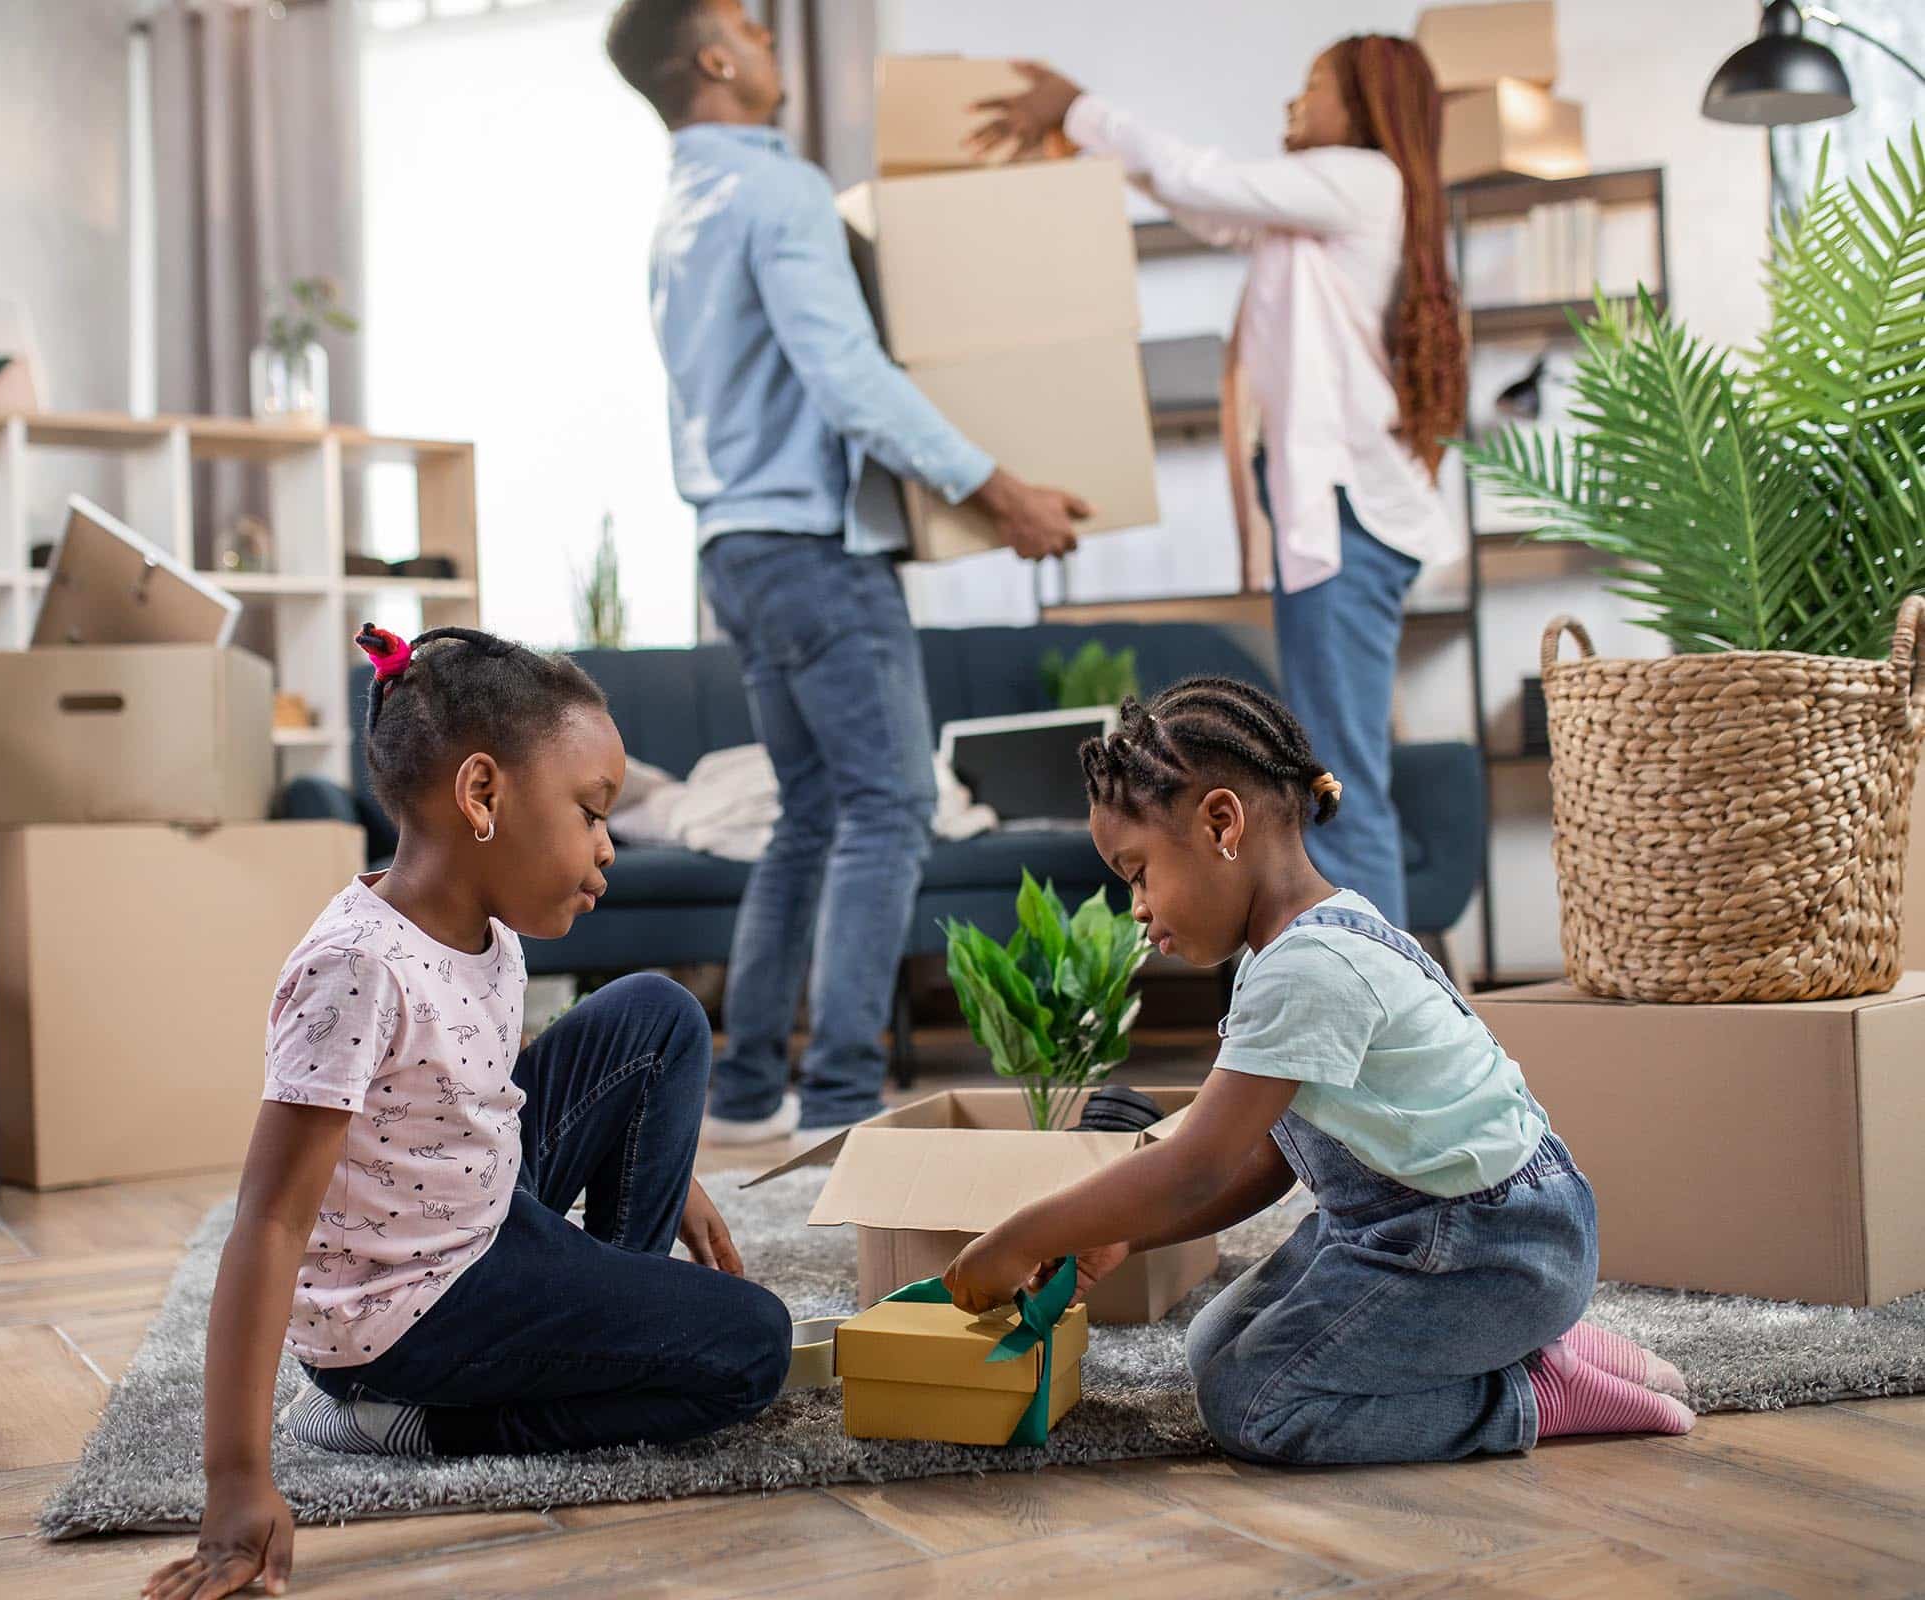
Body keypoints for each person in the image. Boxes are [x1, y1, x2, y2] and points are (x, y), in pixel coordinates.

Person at [145, 626, 790, 1600]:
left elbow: (474, 1097)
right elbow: (270, 1220)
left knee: (657, 1012)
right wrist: (236, 1479)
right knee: (751, 1348)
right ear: (483, 795)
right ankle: (410, 1419)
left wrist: (667, 1156)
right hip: (410, 1314)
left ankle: (606, 1311)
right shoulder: (359, 967)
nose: (606, 847)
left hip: (479, 1218)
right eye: (590, 812)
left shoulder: (483, 926)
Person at [941, 678, 1695, 1465]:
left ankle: (1531, 1390)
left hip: (1487, 1247)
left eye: (1138, 872)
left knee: (1255, 1404)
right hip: (1414, 1228)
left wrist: (1019, 1237)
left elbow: (1194, 1167)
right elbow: (1262, 1163)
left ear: (1221, 823)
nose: (1136, 906)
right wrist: (1124, 1235)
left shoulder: (1307, 969)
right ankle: (1530, 1343)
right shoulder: (1308, 941)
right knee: (1214, 1346)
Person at [606, 0, 1095, 1141]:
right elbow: (848, 377)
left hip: (733, 546)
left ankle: (738, 1095)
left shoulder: (680, 210)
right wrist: (997, 488)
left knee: (811, 814)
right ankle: (836, 1100)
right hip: (813, 553)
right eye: (749, 25)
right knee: (888, 807)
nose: (772, 37)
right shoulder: (776, 193)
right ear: (715, 60)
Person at [976, 39, 1468, 929]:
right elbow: (1203, 203)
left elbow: (1206, 181)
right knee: (1332, 772)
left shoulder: (1360, 177)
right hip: (1332, 520)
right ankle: (1380, 1009)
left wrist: (1078, 105)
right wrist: (1086, 146)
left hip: (1347, 521)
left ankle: (1386, 1020)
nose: (1295, 100)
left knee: (1335, 780)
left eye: (1315, 86)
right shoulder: (1309, 216)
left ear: (1362, 105)